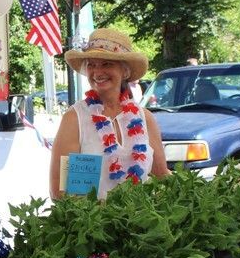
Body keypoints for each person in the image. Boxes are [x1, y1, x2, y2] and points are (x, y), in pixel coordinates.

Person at [50, 28, 170, 199]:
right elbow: (59, 191)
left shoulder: (145, 118)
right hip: (92, 223)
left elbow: (162, 177)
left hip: (140, 222)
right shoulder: (75, 118)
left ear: (125, 71)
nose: (98, 72)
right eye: (91, 64)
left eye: (107, 64)